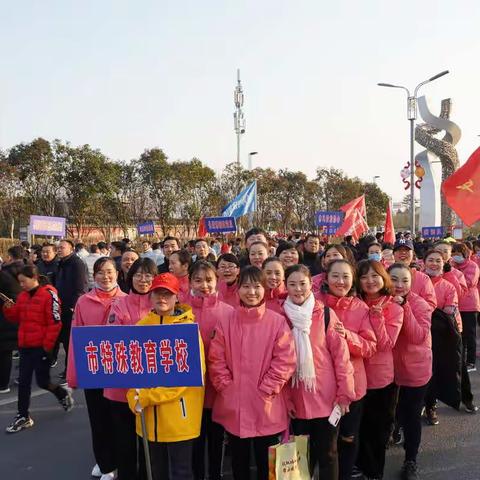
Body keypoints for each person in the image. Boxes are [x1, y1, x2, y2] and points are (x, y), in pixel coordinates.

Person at [209, 266, 296, 480]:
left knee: (266, 464)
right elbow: (216, 359)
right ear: (238, 290)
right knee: (239, 462)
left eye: (256, 286)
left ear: (264, 289)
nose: (251, 292)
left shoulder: (277, 321)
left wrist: (267, 389)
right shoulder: (226, 321)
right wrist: (226, 387)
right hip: (234, 404)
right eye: (245, 286)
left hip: (267, 404)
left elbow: (285, 360)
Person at [126, 273, 205, 480]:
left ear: (176, 297)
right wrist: (132, 395)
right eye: (157, 293)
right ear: (150, 296)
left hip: (180, 417)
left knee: (181, 472)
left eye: (167, 294)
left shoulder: (187, 329)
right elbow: (131, 369)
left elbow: (189, 377)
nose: (162, 298)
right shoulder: (141, 327)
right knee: (155, 470)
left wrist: (149, 397)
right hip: (148, 417)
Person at [284, 264, 355, 480]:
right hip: (296, 399)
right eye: (292, 284)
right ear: (285, 286)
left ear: (311, 285)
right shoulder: (280, 316)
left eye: (302, 284)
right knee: (301, 456)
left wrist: (345, 394)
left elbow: (341, 358)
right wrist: (286, 401)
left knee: (329, 454)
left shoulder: (325, 314)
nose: (298, 289)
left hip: (326, 398)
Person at [67, 257, 126, 480]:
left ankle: (119, 461)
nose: (105, 276)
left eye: (109, 271)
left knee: (118, 421)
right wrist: (74, 375)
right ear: (94, 275)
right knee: (98, 419)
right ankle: (105, 463)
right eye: (100, 272)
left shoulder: (126, 300)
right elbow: (75, 339)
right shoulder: (83, 302)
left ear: (117, 274)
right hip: (93, 370)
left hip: (119, 372)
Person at [317, 259, 376, 480]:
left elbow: (370, 347)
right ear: (326, 278)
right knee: (326, 441)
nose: (340, 282)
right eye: (335, 276)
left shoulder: (360, 307)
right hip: (321, 386)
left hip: (353, 385)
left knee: (348, 437)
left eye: (346, 277)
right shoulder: (314, 304)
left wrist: (347, 336)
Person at [3, 265, 73, 433]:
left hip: (41, 347)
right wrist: (8, 308)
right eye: (19, 282)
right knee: (24, 382)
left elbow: (55, 324)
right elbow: (15, 316)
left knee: (43, 381)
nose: (21, 285)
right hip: (25, 346)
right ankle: (23, 416)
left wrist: (47, 348)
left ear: (33, 278)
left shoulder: (48, 295)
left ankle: (61, 393)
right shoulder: (23, 296)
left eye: (23, 281)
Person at [106, 258, 158, 480]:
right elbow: (111, 339)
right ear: (130, 277)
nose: (143, 280)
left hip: (152, 388)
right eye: (138, 275)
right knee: (125, 442)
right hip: (121, 387)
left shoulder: (162, 305)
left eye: (148, 275)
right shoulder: (118, 304)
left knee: (149, 443)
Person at [184, 261, 234, 480]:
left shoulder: (229, 312)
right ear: (189, 282)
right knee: (194, 439)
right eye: (198, 280)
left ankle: (215, 475)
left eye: (208, 280)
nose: (203, 285)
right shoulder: (180, 310)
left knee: (216, 438)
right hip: (188, 389)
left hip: (218, 388)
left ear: (217, 281)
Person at [355, 260, 403, 479]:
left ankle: (374, 472)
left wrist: (376, 317)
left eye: (375, 276)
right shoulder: (354, 303)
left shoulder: (394, 307)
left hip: (380, 378)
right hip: (355, 376)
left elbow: (386, 345)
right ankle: (359, 467)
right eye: (364, 277)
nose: (370, 281)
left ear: (384, 278)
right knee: (358, 428)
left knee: (377, 430)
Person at [389, 263, 434, 480]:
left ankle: (411, 460)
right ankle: (394, 430)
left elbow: (418, 336)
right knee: (393, 410)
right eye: (394, 279)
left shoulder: (420, 304)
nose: (399, 285)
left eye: (404, 280)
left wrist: (404, 307)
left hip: (415, 370)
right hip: (388, 370)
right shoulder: (379, 300)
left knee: (412, 416)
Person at [54, 239, 88, 380]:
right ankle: (70, 369)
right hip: (61, 307)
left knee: (70, 342)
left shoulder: (76, 263)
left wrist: (74, 307)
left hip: (70, 308)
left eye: (62, 247)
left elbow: (80, 287)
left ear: (71, 248)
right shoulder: (62, 263)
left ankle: (71, 371)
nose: (59, 250)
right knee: (65, 341)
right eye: (58, 248)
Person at [451, 242, 480, 372]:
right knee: (460, 335)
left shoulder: (472, 266)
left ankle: (471, 362)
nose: (455, 256)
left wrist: (454, 273)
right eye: (453, 254)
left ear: (464, 254)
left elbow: (468, 283)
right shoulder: (453, 266)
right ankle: (461, 360)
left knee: (470, 334)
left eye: (458, 254)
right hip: (457, 305)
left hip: (470, 305)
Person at [0, 246, 24, 393]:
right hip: (22, 313)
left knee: (4, 351)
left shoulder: (4, 275)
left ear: (9, 257)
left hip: (6, 316)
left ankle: (3, 384)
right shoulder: (28, 269)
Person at [393, 239, 437, 310]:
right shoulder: (385, 275)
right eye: (399, 250)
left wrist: (406, 306)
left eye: (407, 250)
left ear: (413, 254)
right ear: (393, 254)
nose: (403, 252)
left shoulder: (423, 278)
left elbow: (430, 305)